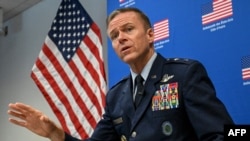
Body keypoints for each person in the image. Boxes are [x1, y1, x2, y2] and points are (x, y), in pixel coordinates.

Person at [8, 7, 234, 141]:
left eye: (128, 29)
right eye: (114, 36)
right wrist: (55, 133)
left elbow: (226, 134)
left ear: (150, 35)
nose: (121, 38)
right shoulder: (116, 96)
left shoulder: (184, 75)